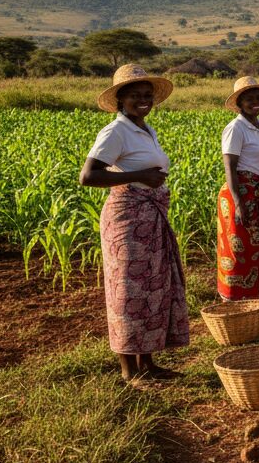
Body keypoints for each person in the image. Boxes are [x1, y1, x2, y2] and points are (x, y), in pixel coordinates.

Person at [79, 64, 189, 384]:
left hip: (150, 218)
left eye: (147, 95)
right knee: (127, 291)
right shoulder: (115, 131)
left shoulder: (144, 129)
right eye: (134, 95)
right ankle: (129, 372)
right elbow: (89, 176)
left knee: (152, 289)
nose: (143, 100)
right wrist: (141, 176)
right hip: (127, 221)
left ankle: (149, 364)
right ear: (120, 100)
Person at [216, 76, 259, 301]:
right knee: (241, 250)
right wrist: (238, 203)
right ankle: (237, 301)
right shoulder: (235, 128)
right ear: (240, 103)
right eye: (250, 98)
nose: (255, 102)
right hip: (242, 193)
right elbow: (230, 168)